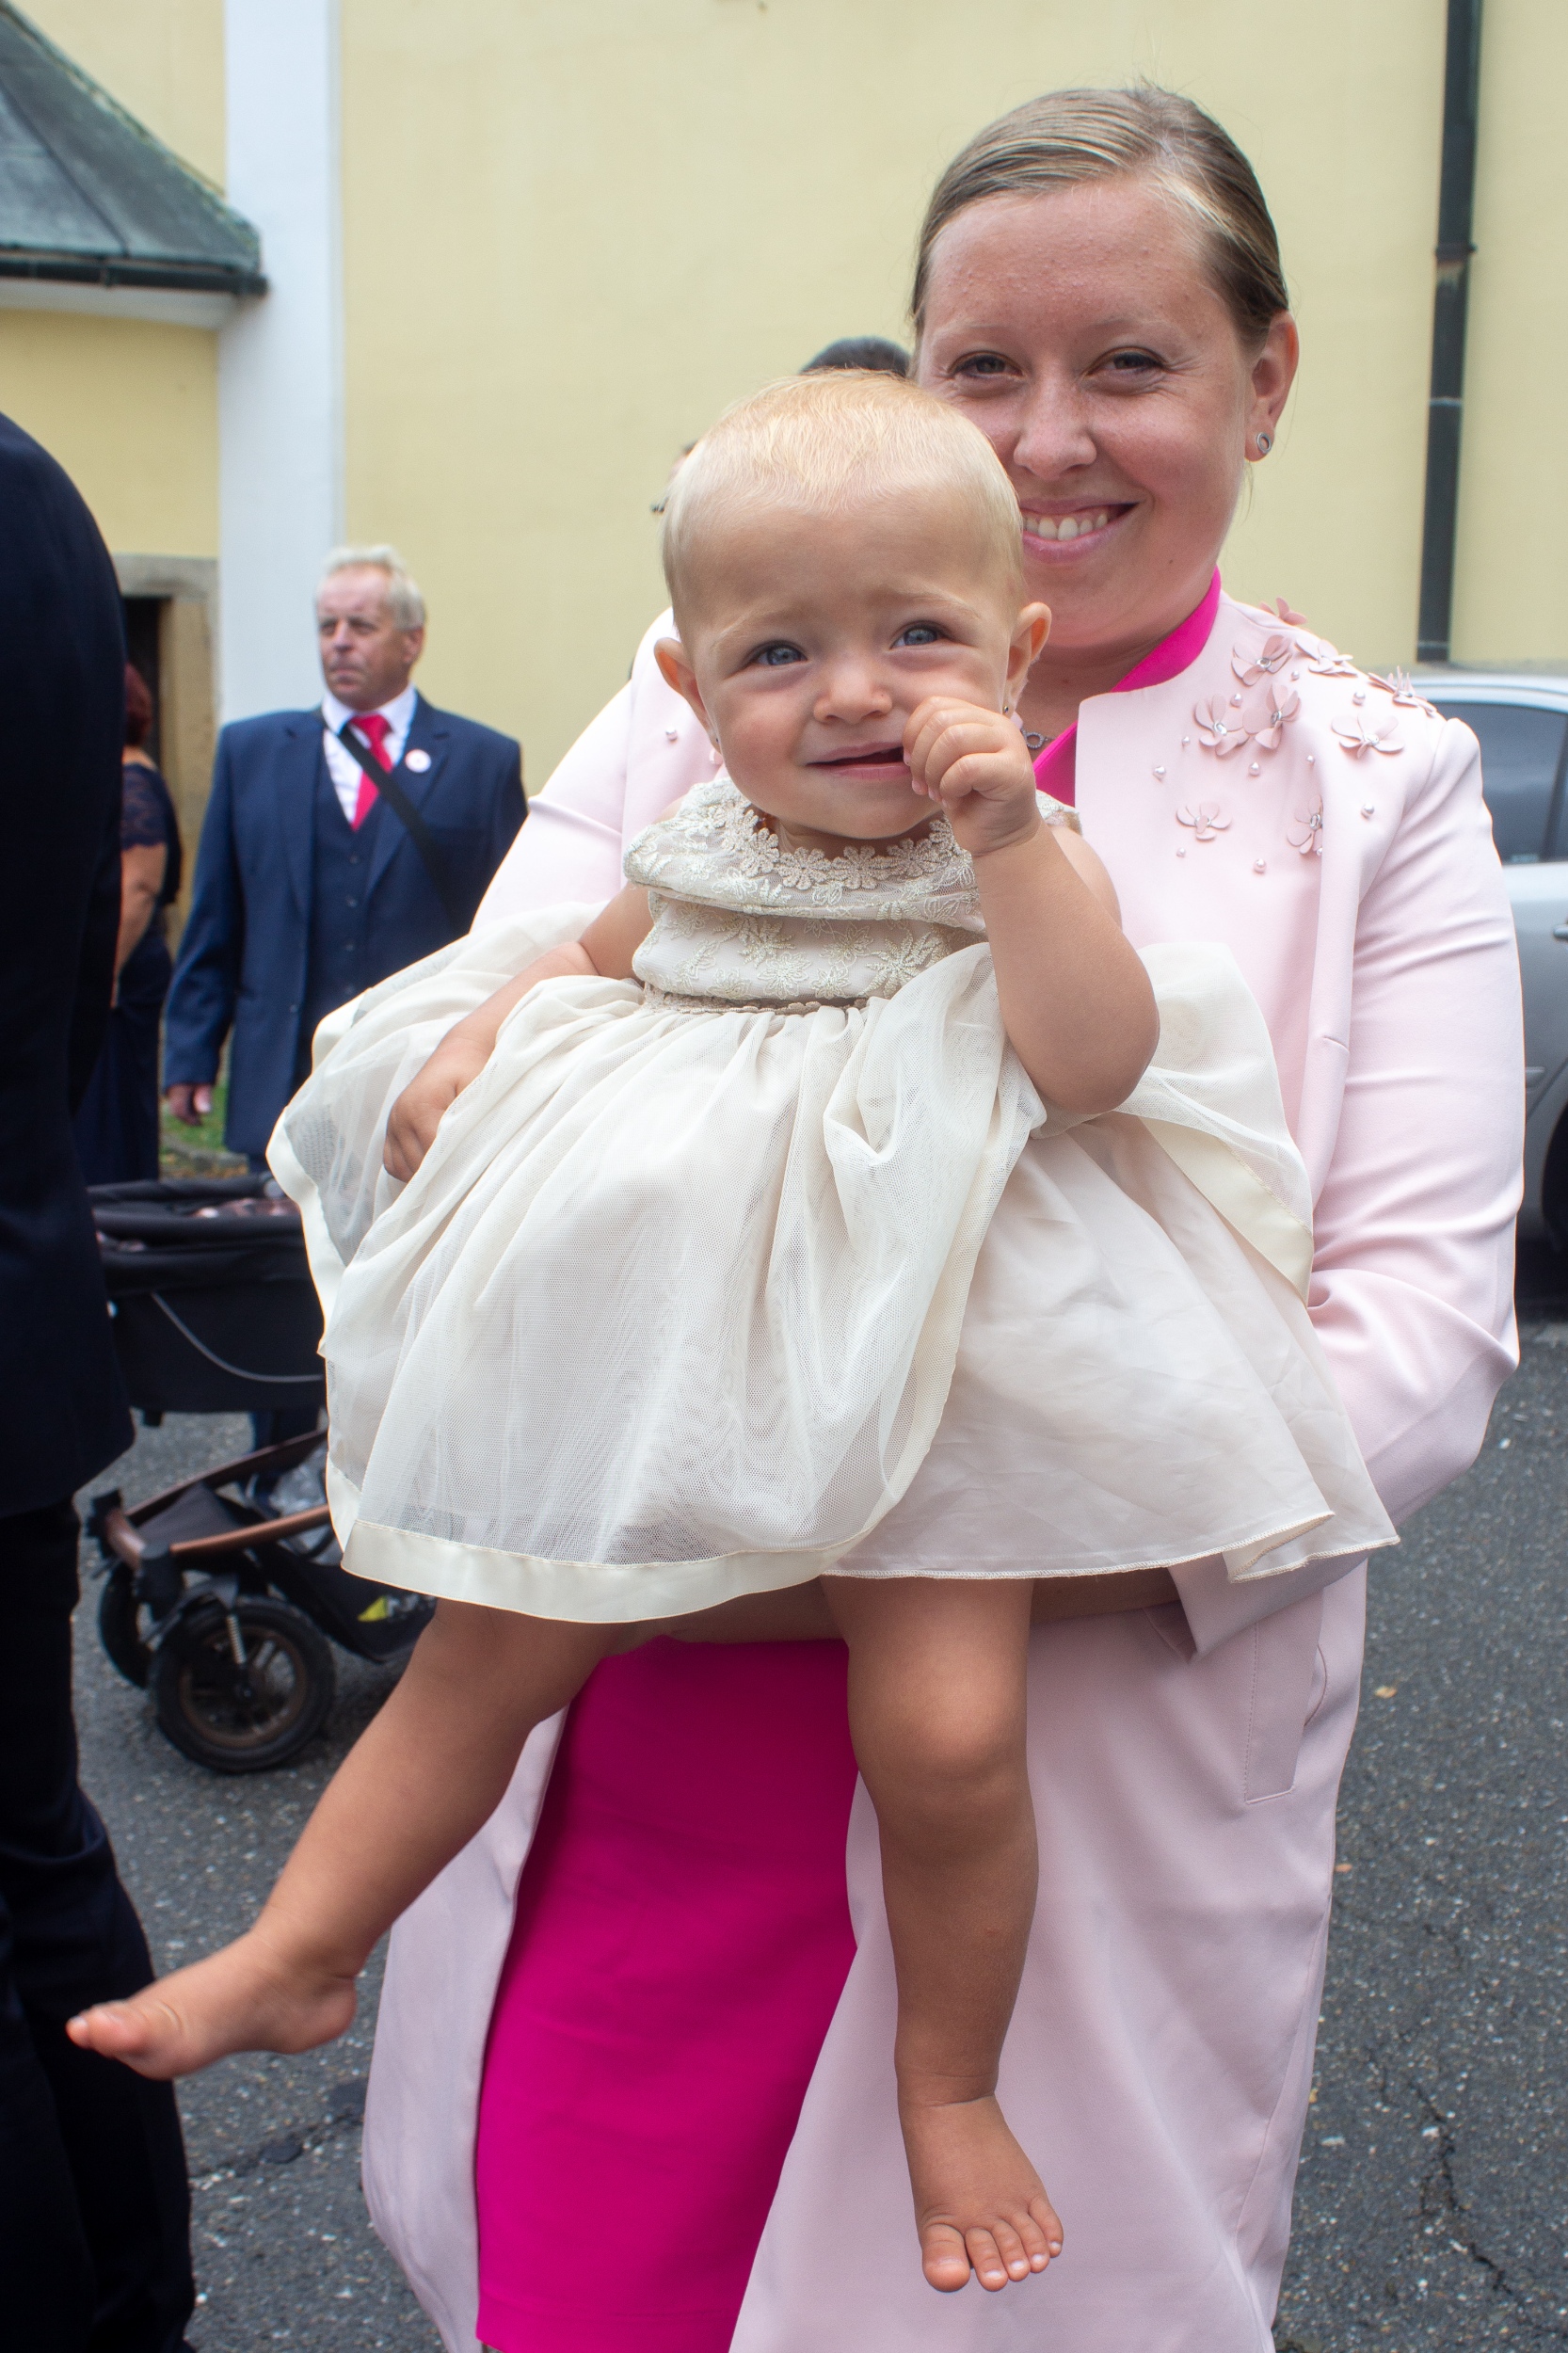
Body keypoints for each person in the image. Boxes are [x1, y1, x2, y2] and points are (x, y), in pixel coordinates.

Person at [320, 86, 1520, 2353]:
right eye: (982, 366)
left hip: (1052, 1731)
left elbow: (1417, 1351)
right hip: (657, 1768)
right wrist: (454, 1125)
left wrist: (844, 1544)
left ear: (1265, 376)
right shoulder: (737, 675)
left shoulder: (1375, 780)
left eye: (1130, 362)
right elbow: (458, 1037)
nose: (1048, 437)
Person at [70, 374, 1396, 2305]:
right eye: (780, 652)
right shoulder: (701, 853)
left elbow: (1094, 1056)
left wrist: (1008, 841)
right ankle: (302, 1946)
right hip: (699, 1363)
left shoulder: (1020, 854)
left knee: (947, 1731)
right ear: (690, 690)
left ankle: (947, 2084)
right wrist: (469, 1044)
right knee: (482, 1649)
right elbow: (575, 959)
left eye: (916, 633)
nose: (853, 692)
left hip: (959, 1377)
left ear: (1014, 648)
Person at [0, 412, 195, 2350]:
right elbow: (68, 967)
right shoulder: (35, 498)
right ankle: (135, 2303)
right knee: (35, 1850)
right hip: (11, 1284)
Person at [163, 544, 525, 1167]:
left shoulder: (481, 761)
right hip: (283, 1069)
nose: (339, 642)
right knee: (274, 1228)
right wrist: (191, 1052)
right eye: (327, 626)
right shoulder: (251, 753)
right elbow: (216, 918)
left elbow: (511, 924)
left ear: (412, 641)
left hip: (415, 1067)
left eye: (361, 625)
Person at [72, 664, 184, 1186]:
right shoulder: (120, 773)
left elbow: (139, 886)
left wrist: (105, 970)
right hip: (115, 968)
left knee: (111, 1111)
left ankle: (122, 1211)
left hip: (122, 969)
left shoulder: (131, 779)